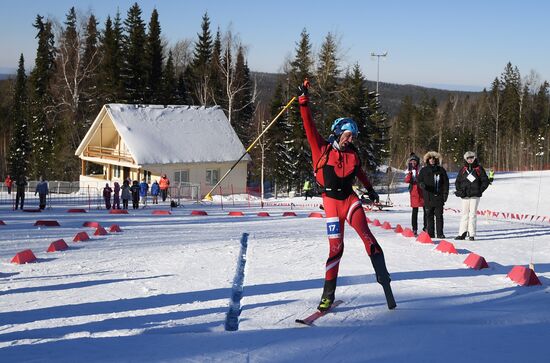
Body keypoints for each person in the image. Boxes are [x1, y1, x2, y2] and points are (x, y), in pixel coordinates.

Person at [298, 80, 395, 311]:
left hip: (350, 201)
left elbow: (360, 173)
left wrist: (370, 190)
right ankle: (327, 296)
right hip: (331, 203)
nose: (350, 140)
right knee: (336, 248)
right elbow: (308, 124)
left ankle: (386, 284)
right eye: (348, 135)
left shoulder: (353, 154)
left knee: (368, 238)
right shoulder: (321, 148)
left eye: (352, 137)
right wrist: (304, 100)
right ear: (339, 133)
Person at [454, 151, 490, 241]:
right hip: (465, 196)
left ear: (474, 158)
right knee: (464, 214)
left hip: (475, 196)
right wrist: (460, 191)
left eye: (472, 157)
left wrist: (480, 190)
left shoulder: (479, 169)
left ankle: (471, 234)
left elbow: (485, 181)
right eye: (468, 158)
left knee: (472, 214)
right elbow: (457, 182)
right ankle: (462, 233)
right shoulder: (463, 169)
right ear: (465, 159)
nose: (470, 159)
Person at [417, 151, 449, 238]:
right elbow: (419, 180)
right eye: (430, 158)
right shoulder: (424, 170)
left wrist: (445, 194)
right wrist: (421, 184)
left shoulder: (441, 170)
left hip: (439, 196)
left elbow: (446, 183)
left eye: (434, 158)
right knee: (429, 216)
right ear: (427, 160)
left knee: (439, 216)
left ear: (436, 160)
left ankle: (440, 234)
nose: (432, 160)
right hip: (428, 196)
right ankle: (430, 234)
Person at [404, 153, 426, 236]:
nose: (413, 162)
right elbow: (407, 180)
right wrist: (410, 172)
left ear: (417, 162)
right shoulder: (408, 170)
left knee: (425, 211)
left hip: (422, 192)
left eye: (415, 161)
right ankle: (414, 229)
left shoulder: (421, 169)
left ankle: (426, 227)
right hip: (414, 193)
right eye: (412, 161)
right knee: (415, 211)